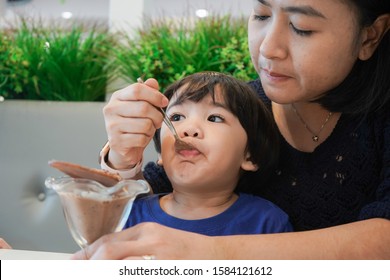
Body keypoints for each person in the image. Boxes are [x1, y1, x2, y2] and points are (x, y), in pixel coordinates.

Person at [73, 0, 390, 259]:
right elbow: (145, 194)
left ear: (370, 36)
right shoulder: (240, 109)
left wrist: (211, 252)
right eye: (261, 15)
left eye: (301, 28)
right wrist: (122, 158)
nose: (268, 48)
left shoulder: (378, 119)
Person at [123, 71, 293, 235]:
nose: (189, 129)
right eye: (176, 117)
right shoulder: (129, 216)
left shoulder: (267, 224)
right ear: (160, 154)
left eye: (214, 118)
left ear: (250, 155)